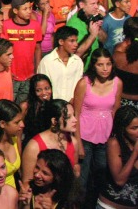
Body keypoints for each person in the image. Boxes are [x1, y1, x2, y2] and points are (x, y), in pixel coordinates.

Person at [73, 48, 123, 205]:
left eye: (108, 64)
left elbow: (115, 111)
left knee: (101, 178)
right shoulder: (84, 83)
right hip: (85, 137)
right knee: (82, 180)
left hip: (105, 138)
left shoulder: (117, 83)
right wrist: (79, 144)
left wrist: (115, 139)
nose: (105, 68)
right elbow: (76, 113)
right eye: (100, 65)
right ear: (93, 65)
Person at [2, 0, 43, 103]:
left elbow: (38, 49)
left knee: (24, 106)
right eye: (25, 9)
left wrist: (37, 69)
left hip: (29, 76)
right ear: (15, 10)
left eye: (29, 8)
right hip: (11, 76)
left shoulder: (35, 25)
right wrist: (7, 71)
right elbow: (2, 51)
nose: (29, 11)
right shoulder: (6, 25)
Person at [99, 106, 138, 209]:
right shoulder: (114, 143)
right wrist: (135, 153)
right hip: (110, 206)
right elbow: (119, 180)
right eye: (134, 128)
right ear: (123, 129)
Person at [37, 26, 84, 102]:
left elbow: (79, 85)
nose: (76, 44)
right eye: (72, 41)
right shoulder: (47, 62)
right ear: (61, 42)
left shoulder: (77, 61)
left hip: (72, 106)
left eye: (76, 41)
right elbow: (41, 87)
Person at [24, 74, 54, 141]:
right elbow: (19, 133)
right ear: (33, 91)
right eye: (38, 90)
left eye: (47, 88)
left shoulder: (55, 106)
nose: (44, 93)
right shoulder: (25, 106)